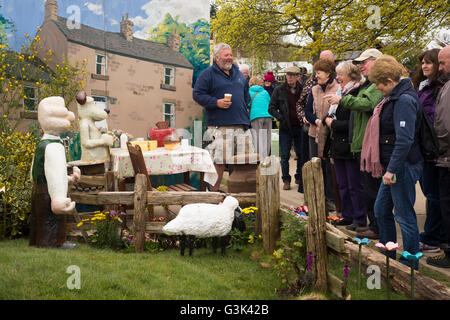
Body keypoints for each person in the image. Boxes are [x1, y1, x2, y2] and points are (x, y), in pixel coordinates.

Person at [366, 55, 423, 269]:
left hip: (402, 166)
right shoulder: (395, 97)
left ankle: (410, 265)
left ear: (390, 81)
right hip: (393, 166)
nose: (378, 90)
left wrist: (391, 170)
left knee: (404, 215)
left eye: (379, 86)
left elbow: (405, 140)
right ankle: (387, 256)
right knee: (381, 210)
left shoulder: (405, 100)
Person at [325, 48, 384, 239]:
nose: (361, 66)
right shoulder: (363, 88)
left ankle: (368, 222)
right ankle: (357, 218)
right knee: (348, 184)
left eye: (364, 62)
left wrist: (340, 105)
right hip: (349, 143)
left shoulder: (367, 88)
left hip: (360, 144)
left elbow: (364, 106)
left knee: (361, 187)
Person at [193, 42, 253, 192]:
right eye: (226, 55)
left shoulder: (239, 74)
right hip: (220, 126)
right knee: (219, 162)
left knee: (246, 163)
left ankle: (243, 200)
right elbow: (197, 95)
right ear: (217, 57)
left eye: (231, 55)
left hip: (241, 125)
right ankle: (213, 197)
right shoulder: (207, 74)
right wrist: (216, 103)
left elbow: (246, 95)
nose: (229, 58)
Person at [324, 61, 366, 229]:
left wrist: (332, 124)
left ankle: (359, 218)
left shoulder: (355, 93)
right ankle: (346, 215)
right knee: (342, 184)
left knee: (354, 185)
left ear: (351, 75)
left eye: (341, 74)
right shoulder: (342, 92)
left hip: (349, 145)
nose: (338, 77)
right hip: (337, 145)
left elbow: (351, 123)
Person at [411, 48, 446, 253]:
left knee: (434, 195)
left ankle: (433, 237)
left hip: (435, 149)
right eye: (422, 62)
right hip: (424, 148)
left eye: (429, 62)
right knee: (430, 193)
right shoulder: (422, 86)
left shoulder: (440, 88)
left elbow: (434, 118)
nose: (424, 66)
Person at [304, 59, 340, 208]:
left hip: (331, 135)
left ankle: (332, 199)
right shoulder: (314, 89)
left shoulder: (338, 88)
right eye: (315, 72)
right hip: (315, 133)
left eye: (319, 73)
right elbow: (307, 112)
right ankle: (318, 197)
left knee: (330, 168)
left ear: (328, 73)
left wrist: (327, 122)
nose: (316, 76)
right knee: (316, 166)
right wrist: (318, 121)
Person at [427, 45, 450, 268]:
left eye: (442, 63)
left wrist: (436, 146)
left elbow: (444, 127)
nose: (439, 68)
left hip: (446, 157)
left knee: (447, 205)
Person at [268, 66, 304, 191]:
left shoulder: (303, 89)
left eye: (293, 75)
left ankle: (299, 177)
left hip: (300, 127)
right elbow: (271, 108)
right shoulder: (279, 90)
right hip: (285, 128)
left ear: (298, 76)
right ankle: (286, 179)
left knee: (300, 154)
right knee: (284, 156)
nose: (289, 77)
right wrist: (281, 117)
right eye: (288, 75)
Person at [248, 76, 273, 159]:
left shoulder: (249, 92)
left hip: (256, 116)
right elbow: (269, 102)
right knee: (267, 137)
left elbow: (248, 104)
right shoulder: (265, 92)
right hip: (268, 116)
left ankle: (259, 159)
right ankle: (265, 158)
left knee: (257, 138)